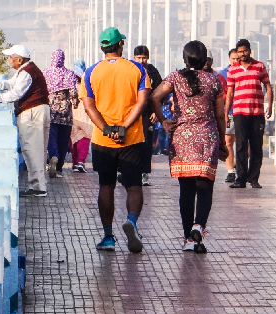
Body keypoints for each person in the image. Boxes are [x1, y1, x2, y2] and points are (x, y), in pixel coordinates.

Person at [151, 40, 227, 253]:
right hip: (207, 138)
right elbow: (220, 114)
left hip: (182, 138)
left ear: (184, 59)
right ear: (204, 60)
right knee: (205, 187)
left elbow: (155, 97)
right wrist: (221, 140)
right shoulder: (213, 80)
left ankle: (189, 239)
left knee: (186, 191)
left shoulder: (175, 78)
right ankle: (198, 226)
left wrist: (163, 120)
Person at [82, 27, 149, 253]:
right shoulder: (137, 69)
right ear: (120, 45)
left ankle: (108, 237)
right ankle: (131, 221)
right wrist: (123, 127)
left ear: (102, 48)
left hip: (103, 141)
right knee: (134, 185)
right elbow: (141, 103)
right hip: (132, 138)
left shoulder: (91, 72)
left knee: (106, 186)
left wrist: (106, 129)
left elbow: (89, 106)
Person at [0, 44, 50, 197]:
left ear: (19, 59)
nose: (8, 60)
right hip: (37, 111)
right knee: (36, 149)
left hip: (32, 113)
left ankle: (38, 187)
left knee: (32, 149)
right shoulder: (26, 70)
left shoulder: (27, 73)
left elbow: (16, 92)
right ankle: (38, 185)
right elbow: (11, 83)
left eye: (10, 58)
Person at [225, 39, 273, 189]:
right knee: (240, 145)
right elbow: (230, 93)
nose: (242, 54)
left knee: (256, 146)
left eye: (245, 51)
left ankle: (254, 178)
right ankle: (240, 178)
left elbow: (267, 86)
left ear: (250, 51)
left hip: (257, 112)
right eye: (239, 51)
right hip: (239, 112)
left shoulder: (259, 66)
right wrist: (226, 112)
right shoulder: (232, 70)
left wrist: (270, 105)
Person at [132, 45, 163, 187]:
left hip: (147, 114)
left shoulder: (153, 72)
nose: (141, 60)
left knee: (146, 143)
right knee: (130, 142)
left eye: (144, 57)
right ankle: (128, 170)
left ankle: (144, 173)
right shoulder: (129, 70)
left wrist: (157, 112)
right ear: (134, 58)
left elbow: (160, 92)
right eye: (139, 57)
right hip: (131, 113)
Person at [45, 49, 78, 178]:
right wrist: (74, 103)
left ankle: (53, 156)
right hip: (66, 114)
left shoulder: (46, 73)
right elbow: (73, 93)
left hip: (51, 112)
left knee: (51, 137)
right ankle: (58, 169)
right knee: (63, 140)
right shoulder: (69, 74)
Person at [220, 48, 240, 182]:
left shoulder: (245, 72)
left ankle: (240, 165)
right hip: (229, 111)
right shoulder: (222, 74)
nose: (235, 61)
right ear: (229, 59)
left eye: (237, 59)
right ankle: (230, 171)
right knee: (228, 141)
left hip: (243, 111)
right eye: (233, 58)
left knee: (244, 142)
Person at [70, 60, 93, 173]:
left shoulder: (70, 81)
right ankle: (80, 161)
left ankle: (75, 162)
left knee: (73, 138)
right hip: (85, 113)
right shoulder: (88, 80)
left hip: (72, 114)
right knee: (84, 138)